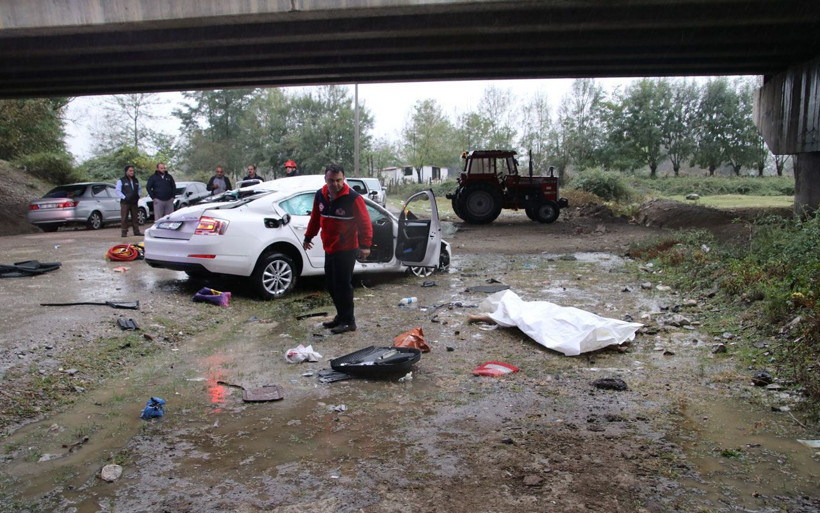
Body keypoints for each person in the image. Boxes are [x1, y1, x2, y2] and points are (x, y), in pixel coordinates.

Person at [303, 164, 372, 334]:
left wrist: (365, 246)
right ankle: (341, 317)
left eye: (339, 180)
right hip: (330, 247)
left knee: (343, 285)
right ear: (325, 180)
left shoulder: (353, 198)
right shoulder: (320, 195)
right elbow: (315, 217)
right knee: (332, 285)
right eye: (331, 180)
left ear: (344, 179)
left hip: (347, 248)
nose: (335, 184)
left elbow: (365, 223)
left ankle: (349, 321)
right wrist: (308, 237)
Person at [116, 165, 141, 237]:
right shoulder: (121, 180)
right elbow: (118, 191)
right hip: (125, 202)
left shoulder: (135, 180)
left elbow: (139, 189)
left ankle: (136, 231)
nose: (132, 172)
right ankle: (124, 232)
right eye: (130, 171)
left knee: (135, 217)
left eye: (132, 171)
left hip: (134, 201)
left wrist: (138, 196)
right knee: (124, 217)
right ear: (126, 171)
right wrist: (124, 197)